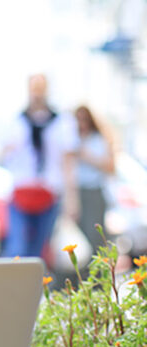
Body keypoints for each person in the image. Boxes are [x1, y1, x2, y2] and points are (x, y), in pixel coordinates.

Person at [0, 74, 79, 260]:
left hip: (49, 192)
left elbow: (67, 162)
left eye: (41, 89)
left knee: (40, 249)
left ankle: (35, 288)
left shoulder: (61, 122)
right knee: (17, 247)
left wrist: (71, 198)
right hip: (21, 192)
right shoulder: (17, 122)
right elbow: (3, 155)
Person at [73, 104, 116, 248]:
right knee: (78, 236)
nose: (81, 124)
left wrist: (87, 156)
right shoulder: (70, 138)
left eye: (84, 119)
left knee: (94, 236)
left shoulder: (99, 139)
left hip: (93, 191)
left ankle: (98, 269)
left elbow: (110, 166)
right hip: (75, 190)